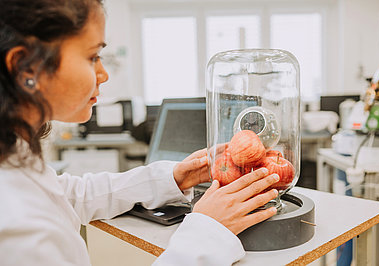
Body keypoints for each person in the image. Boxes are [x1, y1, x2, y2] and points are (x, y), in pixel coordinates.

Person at [0, 0, 280, 265]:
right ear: (27, 68)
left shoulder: (16, 159)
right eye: (92, 56)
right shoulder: (16, 224)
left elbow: (70, 195)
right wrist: (207, 233)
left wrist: (172, 178)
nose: (104, 74)